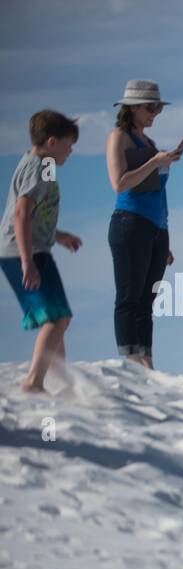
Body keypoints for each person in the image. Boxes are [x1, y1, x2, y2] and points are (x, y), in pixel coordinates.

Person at [0, 110, 82, 393]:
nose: (71, 151)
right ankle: (34, 382)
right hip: (26, 252)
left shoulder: (37, 164)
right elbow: (21, 213)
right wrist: (27, 261)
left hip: (30, 249)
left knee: (56, 315)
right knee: (57, 318)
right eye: (69, 145)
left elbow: (32, 215)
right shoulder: (39, 166)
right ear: (51, 141)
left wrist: (57, 236)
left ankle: (61, 381)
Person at [106, 80, 183, 369]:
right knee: (129, 296)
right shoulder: (120, 137)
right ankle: (131, 360)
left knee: (147, 301)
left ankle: (146, 362)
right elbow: (119, 183)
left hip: (155, 227)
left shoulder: (149, 143)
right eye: (150, 108)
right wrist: (155, 162)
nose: (155, 113)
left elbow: (158, 194)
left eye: (158, 108)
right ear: (133, 108)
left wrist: (164, 236)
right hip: (130, 222)